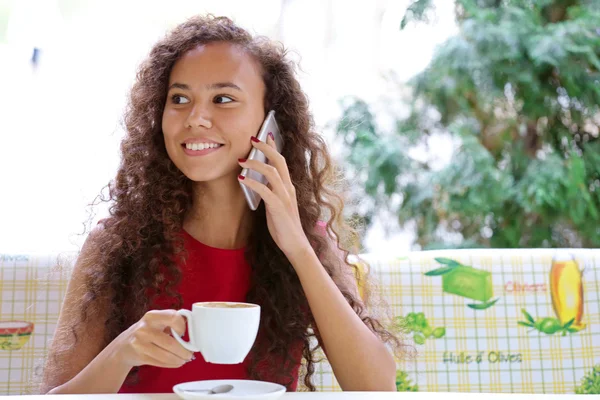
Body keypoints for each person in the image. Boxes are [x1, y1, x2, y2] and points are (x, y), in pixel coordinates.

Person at [40, 15, 400, 394]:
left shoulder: (305, 240)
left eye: (223, 99)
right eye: (179, 99)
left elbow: (377, 387)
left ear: (271, 123)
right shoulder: (117, 244)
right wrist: (124, 351)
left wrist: (297, 245)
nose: (195, 118)